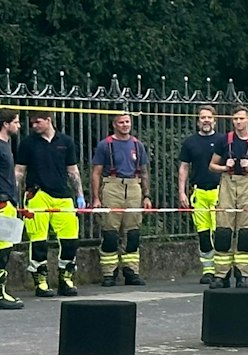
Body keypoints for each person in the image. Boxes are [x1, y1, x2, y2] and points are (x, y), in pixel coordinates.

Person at [17, 112, 81, 297]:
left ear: (48, 120)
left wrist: (79, 195)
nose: (34, 126)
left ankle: (66, 278)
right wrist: (14, 195)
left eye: (37, 122)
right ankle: (41, 281)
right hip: (37, 194)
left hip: (62, 195)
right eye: (32, 123)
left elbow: (72, 170)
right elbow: (19, 171)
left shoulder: (66, 142)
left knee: (70, 239)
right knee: (38, 240)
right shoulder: (28, 143)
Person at [208, 106, 248, 289]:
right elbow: (212, 165)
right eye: (235, 119)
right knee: (223, 231)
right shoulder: (224, 140)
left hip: (247, 183)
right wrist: (224, 167)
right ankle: (221, 275)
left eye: (241, 118)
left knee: (245, 232)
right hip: (227, 183)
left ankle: (242, 274)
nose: (238, 122)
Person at [89, 112, 152, 287]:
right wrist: (96, 198)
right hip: (112, 186)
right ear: (114, 125)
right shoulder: (105, 145)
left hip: (134, 187)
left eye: (127, 122)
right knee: (110, 232)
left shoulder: (137, 145)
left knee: (133, 233)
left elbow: (144, 172)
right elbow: (96, 172)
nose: (125, 125)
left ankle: (131, 271)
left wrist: (146, 196)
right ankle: (109, 273)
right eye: (121, 122)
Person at [177, 105, 228, 284]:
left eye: (209, 117)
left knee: (220, 232)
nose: (206, 120)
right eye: (202, 117)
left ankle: (222, 270)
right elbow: (184, 167)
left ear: (215, 120)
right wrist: (182, 192)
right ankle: (208, 270)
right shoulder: (190, 142)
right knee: (203, 233)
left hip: (219, 191)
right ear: (198, 121)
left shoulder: (223, 140)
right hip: (199, 192)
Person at [0, 109, 20, 309]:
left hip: (9, 203)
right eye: (16, 122)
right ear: (6, 124)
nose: (18, 126)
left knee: (6, 248)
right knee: (2, 250)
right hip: (2, 203)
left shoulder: (6, 145)